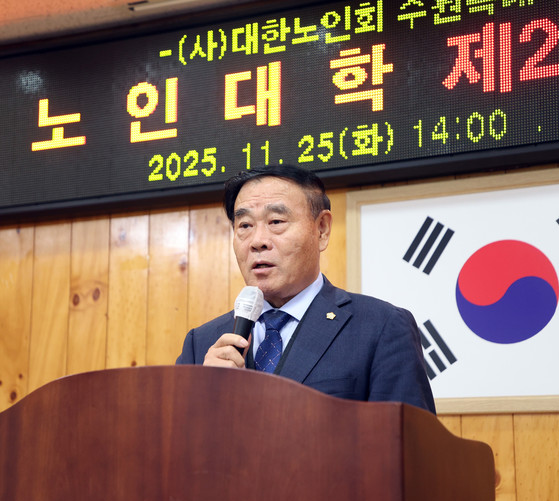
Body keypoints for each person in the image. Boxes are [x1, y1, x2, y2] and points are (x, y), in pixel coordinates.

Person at [176, 164, 435, 413]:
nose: (257, 241)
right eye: (245, 225)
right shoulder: (202, 343)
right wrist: (205, 400)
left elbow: (406, 439)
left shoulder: (381, 327)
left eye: (276, 221)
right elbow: (174, 438)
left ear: (321, 230)